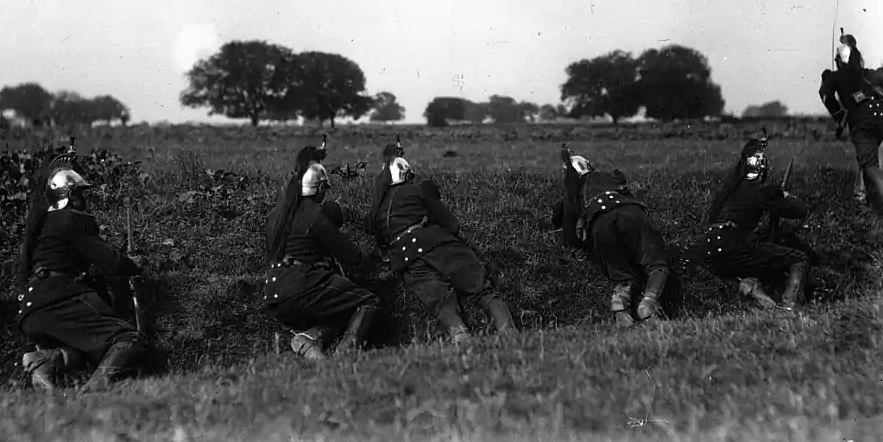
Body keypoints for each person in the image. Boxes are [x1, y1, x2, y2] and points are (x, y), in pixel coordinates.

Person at [16, 152, 147, 393]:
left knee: (91, 348)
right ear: (70, 196)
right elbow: (110, 263)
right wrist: (133, 264)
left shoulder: (41, 226)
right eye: (79, 194)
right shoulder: (71, 220)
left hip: (31, 308)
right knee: (129, 340)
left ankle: (44, 360)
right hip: (58, 299)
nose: (82, 200)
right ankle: (95, 391)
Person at [365, 144, 515, 343]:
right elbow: (452, 226)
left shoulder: (378, 210)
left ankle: (462, 339)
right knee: (482, 290)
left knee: (441, 303)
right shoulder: (417, 191)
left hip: (407, 261)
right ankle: (510, 336)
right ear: (407, 175)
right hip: (437, 245)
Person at [262, 145, 381, 362]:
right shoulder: (315, 213)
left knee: (341, 309)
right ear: (319, 188)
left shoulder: (275, 214)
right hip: (303, 285)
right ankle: (346, 357)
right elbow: (352, 256)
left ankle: (309, 339)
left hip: (273, 294)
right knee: (368, 302)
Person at [545, 145, 673, 327]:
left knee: (621, 274)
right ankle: (649, 301)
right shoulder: (609, 176)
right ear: (589, 167)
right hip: (630, 212)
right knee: (656, 262)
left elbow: (569, 235)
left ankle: (621, 306)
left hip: (600, 223)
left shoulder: (571, 197)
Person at [689, 137, 811, 310]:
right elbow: (800, 209)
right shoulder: (762, 191)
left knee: (751, 257)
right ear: (763, 169)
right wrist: (783, 195)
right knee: (800, 259)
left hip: (707, 249)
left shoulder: (729, 190)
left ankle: (754, 292)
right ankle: (790, 306)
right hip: (735, 245)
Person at [819, 32, 883, 224]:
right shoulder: (868, 74)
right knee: (866, 157)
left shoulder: (835, 76)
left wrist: (839, 116)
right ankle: (861, 198)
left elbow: (825, 95)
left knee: (869, 163)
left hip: (862, 123)